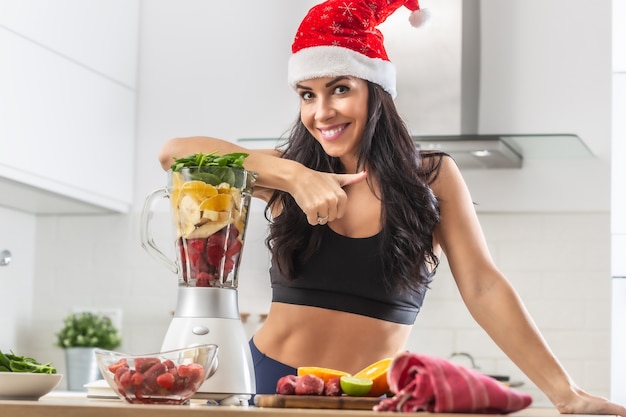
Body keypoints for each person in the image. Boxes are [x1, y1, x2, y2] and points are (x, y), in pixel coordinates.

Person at [158, 0, 626, 415]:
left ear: (374, 90)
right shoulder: (285, 176)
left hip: (373, 400)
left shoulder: (431, 178)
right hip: (267, 389)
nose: (322, 112)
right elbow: (174, 153)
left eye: (339, 88)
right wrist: (296, 176)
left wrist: (565, 394)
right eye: (307, 94)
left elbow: (483, 286)